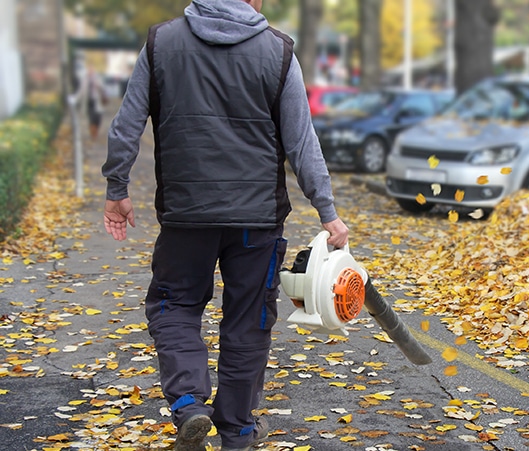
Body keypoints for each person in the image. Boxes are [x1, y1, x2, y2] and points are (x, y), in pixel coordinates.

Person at [101, 1, 349, 450]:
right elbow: (300, 140)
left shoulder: (162, 43)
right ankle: (236, 430)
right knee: (248, 322)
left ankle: (190, 404)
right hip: (257, 221)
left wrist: (117, 187)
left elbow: (127, 124)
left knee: (173, 307)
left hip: (185, 215)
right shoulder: (277, 51)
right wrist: (327, 211)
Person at [87, 69, 106, 139]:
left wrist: (98, 85)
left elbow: (103, 89)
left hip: (97, 102)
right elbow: (81, 91)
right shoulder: (86, 81)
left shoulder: (98, 80)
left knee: (98, 118)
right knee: (92, 118)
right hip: (90, 102)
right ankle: (93, 133)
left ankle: (95, 131)